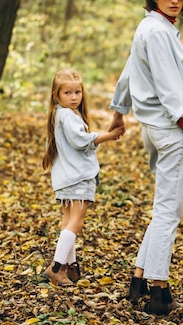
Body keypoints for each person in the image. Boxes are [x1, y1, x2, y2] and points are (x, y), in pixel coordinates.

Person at [108, 0, 183, 315]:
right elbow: (170, 91)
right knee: (169, 212)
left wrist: (119, 110)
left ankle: (138, 280)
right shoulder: (157, 33)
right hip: (169, 131)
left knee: (162, 210)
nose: (175, 0)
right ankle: (159, 291)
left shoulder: (151, 28)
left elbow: (128, 71)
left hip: (153, 129)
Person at [42, 69, 124, 286]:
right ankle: (56, 267)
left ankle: (71, 267)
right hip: (77, 177)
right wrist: (110, 136)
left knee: (68, 221)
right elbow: (81, 141)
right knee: (76, 224)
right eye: (67, 93)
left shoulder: (61, 114)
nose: (74, 97)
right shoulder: (67, 116)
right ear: (56, 95)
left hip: (68, 177)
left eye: (77, 92)